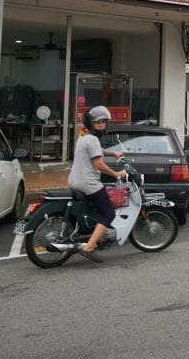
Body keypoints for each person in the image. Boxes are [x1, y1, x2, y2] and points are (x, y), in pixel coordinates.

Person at [67, 105, 127, 262]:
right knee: (109, 213)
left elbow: (97, 149)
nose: (101, 125)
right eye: (98, 122)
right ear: (91, 123)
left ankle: (92, 231)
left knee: (98, 205)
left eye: (103, 122)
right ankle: (89, 247)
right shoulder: (92, 139)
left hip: (75, 180)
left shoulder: (84, 137)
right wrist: (116, 174)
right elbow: (99, 164)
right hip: (88, 183)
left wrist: (113, 153)